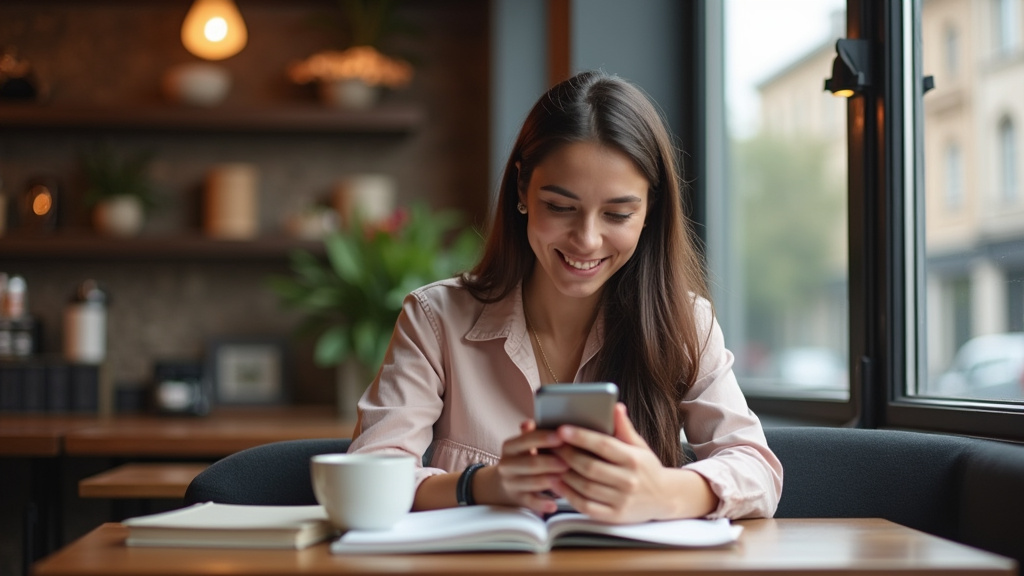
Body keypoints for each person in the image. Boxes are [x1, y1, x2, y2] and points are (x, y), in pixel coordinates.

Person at [348, 70, 783, 523]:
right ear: (522, 190)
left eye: (617, 213)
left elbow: (758, 471)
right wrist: (479, 485)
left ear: (649, 211)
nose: (587, 240)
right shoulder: (436, 319)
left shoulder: (684, 322)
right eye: (560, 207)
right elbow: (368, 476)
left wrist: (665, 492)